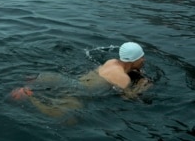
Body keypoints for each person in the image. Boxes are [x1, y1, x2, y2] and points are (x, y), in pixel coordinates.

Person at [10, 42, 152, 118]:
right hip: (78, 90)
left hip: (62, 79)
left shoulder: (111, 62)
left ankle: (28, 84)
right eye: (141, 57)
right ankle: (29, 95)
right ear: (134, 59)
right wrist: (143, 86)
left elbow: (124, 68)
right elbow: (128, 98)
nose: (144, 59)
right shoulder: (123, 79)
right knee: (70, 120)